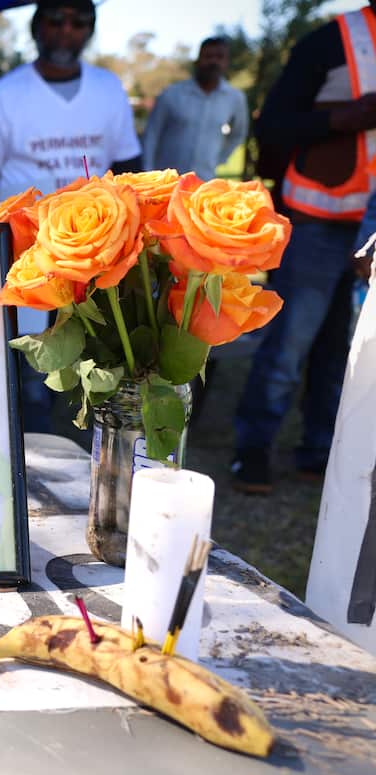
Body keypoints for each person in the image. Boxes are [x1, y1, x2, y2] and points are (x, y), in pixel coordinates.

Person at [0, 0, 141, 433]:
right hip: (30, 266)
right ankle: (31, 475)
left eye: (80, 22)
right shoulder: (3, 96)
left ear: (91, 30)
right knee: (35, 382)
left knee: (98, 375)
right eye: (56, 19)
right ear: (36, 27)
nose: (66, 30)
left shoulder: (109, 89)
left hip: (98, 262)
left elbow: (134, 174)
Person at [231, 3, 376, 494]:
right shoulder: (331, 40)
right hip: (318, 222)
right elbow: (272, 124)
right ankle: (252, 449)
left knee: (345, 349)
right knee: (289, 343)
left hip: (370, 228)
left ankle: (319, 450)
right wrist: (346, 118)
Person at [142, 36, 248, 180]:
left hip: (203, 182)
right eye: (208, 56)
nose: (213, 61)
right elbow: (152, 134)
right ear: (197, 60)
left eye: (220, 57)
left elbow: (238, 134)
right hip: (166, 183)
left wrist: (219, 159)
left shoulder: (235, 99)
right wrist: (147, 171)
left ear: (226, 62)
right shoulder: (171, 94)